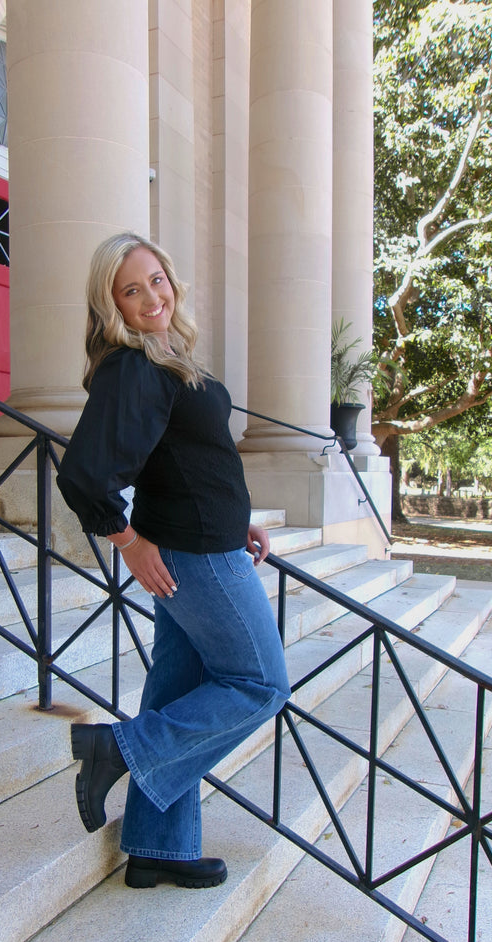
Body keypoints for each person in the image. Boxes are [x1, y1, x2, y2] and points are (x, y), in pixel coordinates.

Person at [56, 232, 290, 890]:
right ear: (113, 306)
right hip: (195, 555)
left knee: (179, 693)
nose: (151, 295)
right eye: (132, 289)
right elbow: (83, 475)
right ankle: (119, 747)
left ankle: (158, 847)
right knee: (261, 684)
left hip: (208, 537)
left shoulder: (164, 355)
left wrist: (237, 514)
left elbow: (184, 457)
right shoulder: (132, 365)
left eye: (156, 279)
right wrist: (127, 541)